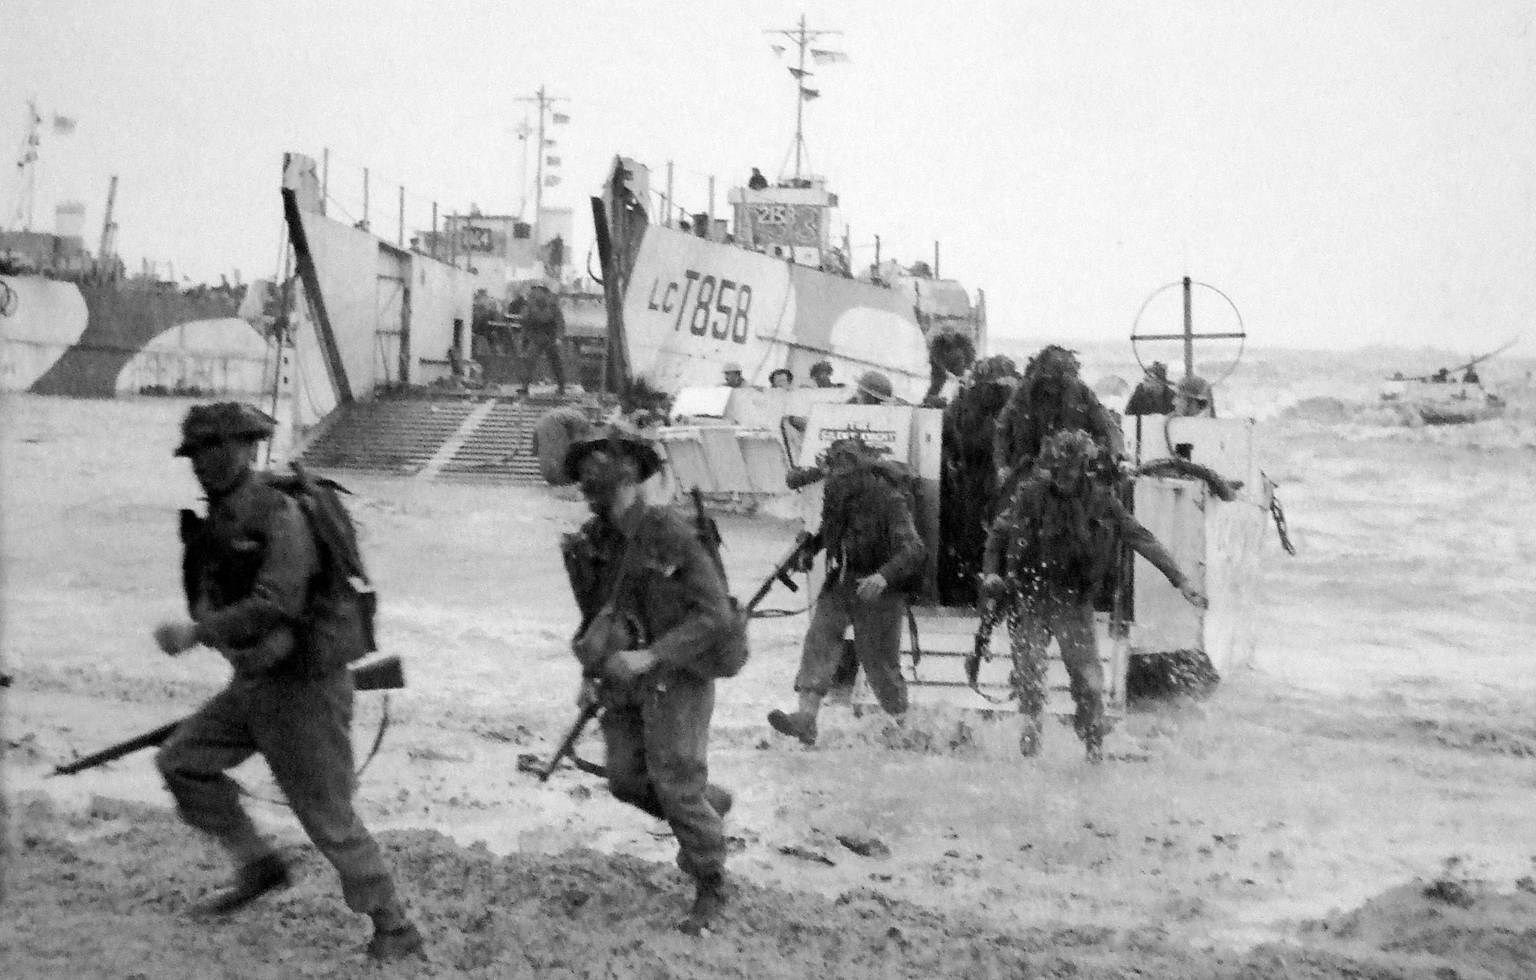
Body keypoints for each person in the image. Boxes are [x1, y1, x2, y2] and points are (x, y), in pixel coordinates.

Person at [151, 403, 422, 961]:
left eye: (218, 449)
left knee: (327, 816)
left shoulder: (281, 515)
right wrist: (213, 629)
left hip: (304, 688)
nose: (206, 462)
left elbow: (278, 601)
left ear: (247, 450)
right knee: (182, 762)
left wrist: (197, 632)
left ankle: (394, 926)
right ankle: (257, 865)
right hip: (255, 685)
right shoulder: (217, 521)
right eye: (198, 452)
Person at [559, 426, 738, 935]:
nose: (593, 478)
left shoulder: (669, 532)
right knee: (624, 779)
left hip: (681, 669)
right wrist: (590, 673)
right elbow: (595, 616)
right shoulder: (591, 543)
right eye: (587, 470)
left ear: (633, 475)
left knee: (676, 785)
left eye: (604, 466)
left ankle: (711, 887)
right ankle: (710, 810)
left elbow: (717, 616)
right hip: (623, 674)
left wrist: (653, 656)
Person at [980, 429, 1207, 762]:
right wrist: (991, 575)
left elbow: (1141, 538)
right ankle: (1029, 754)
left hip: (1073, 601)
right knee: (1029, 682)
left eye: (1069, 470)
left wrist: (1181, 580)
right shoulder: (1030, 495)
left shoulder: (1101, 501)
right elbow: (998, 535)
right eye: (1057, 471)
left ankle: (1093, 753)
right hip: (1030, 597)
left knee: (1088, 685)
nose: (1063, 478)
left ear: (1083, 467)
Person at [768, 438, 926, 747]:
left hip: (880, 592)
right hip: (842, 583)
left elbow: (914, 549)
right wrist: (808, 551)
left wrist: (883, 576)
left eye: (842, 475)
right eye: (833, 474)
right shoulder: (838, 494)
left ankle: (905, 729)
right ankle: (806, 719)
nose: (835, 480)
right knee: (819, 641)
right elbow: (831, 532)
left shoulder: (889, 499)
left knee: (880, 668)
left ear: (859, 473)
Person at [937, 354, 1019, 605]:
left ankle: (978, 591)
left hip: (976, 482)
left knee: (976, 540)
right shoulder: (1018, 401)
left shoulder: (967, 401)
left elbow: (953, 437)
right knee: (1003, 539)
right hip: (1001, 481)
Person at [992, 345, 1124, 494]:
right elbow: (1002, 430)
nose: (1051, 386)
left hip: (1073, 479)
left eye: (1057, 379)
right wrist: (1002, 467)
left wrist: (1112, 455)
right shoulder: (1023, 394)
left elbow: (1108, 428)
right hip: (1029, 476)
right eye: (1047, 379)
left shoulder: (1081, 393)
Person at [519, 282, 566, 396]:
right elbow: (526, 322)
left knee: (549, 362)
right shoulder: (537, 302)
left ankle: (560, 386)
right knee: (535, 361)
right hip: (543, 336)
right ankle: (525, 386)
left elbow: (559, 322)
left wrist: (558, 337)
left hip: (545, 336)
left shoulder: (548, 303)